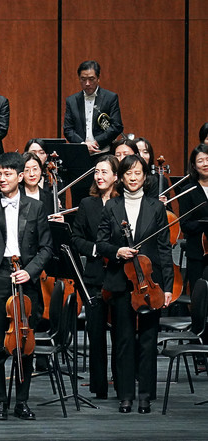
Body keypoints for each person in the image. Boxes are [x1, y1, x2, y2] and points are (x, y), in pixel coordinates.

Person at [0, 152, 52, 421]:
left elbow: (46, 248)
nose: (2, 178)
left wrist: (29, 272)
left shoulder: (36, 207)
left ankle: (22, 401)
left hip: (24, 279)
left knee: (23, 344)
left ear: (20, 176)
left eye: (8, 174)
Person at [96, 154, 173, 414]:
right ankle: (126, 395)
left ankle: (145, 396)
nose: (133, 177)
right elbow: (101, 242)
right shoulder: (112, 207)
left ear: (144, 176)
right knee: (124, 340)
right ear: (122, 177)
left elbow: (164, 250)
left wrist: (168, 287)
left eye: (137, 173)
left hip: (150, 284)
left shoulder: (156, 207)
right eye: (128, 173)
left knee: (148, 340)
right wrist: (118, 251)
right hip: (120, 282)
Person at [71, 154, 119, 400]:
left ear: (116, 177)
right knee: (96, 333)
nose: (99, 176)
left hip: (121, 275)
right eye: (97, 172)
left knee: (121, 334)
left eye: (105, 172)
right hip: (94, 276)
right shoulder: (87, 204)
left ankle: (123, 385)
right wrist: (95, 249)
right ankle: (99, 386)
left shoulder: (124, 202)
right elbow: (76, 238)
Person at [64, 60, 123, 155]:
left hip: (103, 152)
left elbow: (117, 126)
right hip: (80, 152)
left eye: (91, 79)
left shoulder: (110, 98)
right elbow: (68, 129)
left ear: (98, 78)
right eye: (83, 79)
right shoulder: (71, 101)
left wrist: (96, 142)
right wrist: (83, 145)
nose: (87, 83)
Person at [179, 144, 208, 304]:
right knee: (199, 299)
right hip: (198, 253)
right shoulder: (188, 190)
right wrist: (204, 223)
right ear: (194, 165)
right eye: (200, 161)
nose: (205, 164)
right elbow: (185, 225)